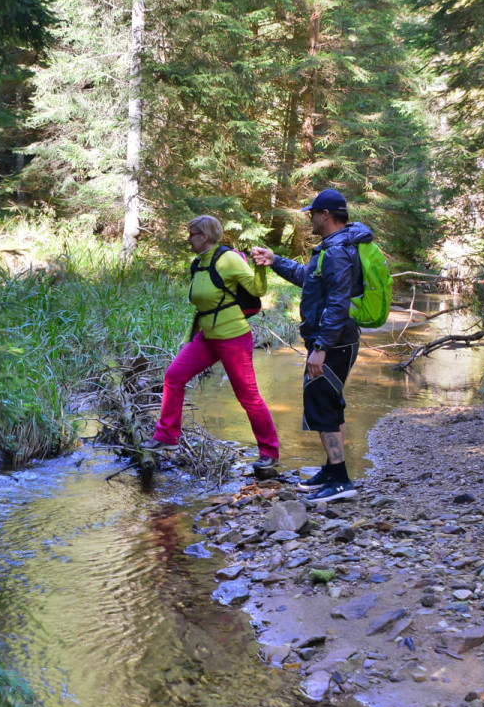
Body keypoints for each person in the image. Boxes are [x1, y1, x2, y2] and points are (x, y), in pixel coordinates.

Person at [250, 188, 373, 503]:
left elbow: (337, 302)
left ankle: (341, 480)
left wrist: (321, 347)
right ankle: (333, 471)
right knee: (331, 404)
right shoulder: (334, 247)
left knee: (322, 406)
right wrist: (275, 260)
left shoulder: (338, 251)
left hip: (333, 343)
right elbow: (309, 277)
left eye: (313, 214)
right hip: (335, 341)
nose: (310, 219)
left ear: (326, 215)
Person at [149, 215, 280, 475]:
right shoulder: (198, 263)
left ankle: (269, 453)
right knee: (174, 376)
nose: (189, 238)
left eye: (192, 233)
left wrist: (261, 267)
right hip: (207, 337)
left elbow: (257, 289)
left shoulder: (228, 259)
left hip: (233, 337)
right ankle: (166, 436)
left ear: (204, 236)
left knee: (248, 397)